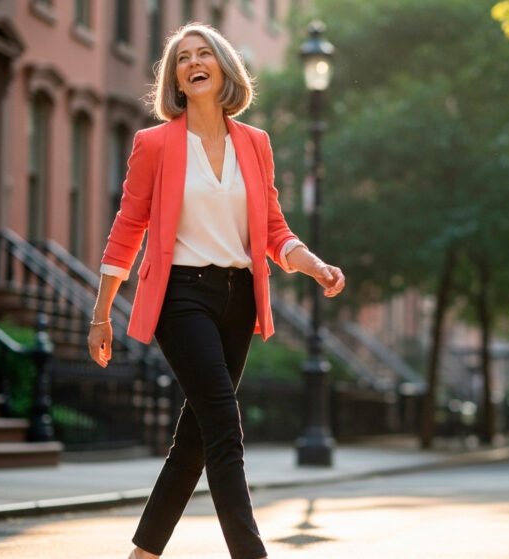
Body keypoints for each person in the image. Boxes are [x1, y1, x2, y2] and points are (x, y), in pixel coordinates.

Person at [87, 23, 345, 559]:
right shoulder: (155, 144)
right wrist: (102, 312)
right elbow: (127, 228)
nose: (194, 62)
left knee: (197, 440)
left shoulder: (255, 144)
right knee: (225, 428)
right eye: (183, 58)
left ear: (224, 68)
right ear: (176, 79)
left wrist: (314, 265)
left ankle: (142, 555)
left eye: (205, 54)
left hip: (238, 300)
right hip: (181, 297)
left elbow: (273, 230)